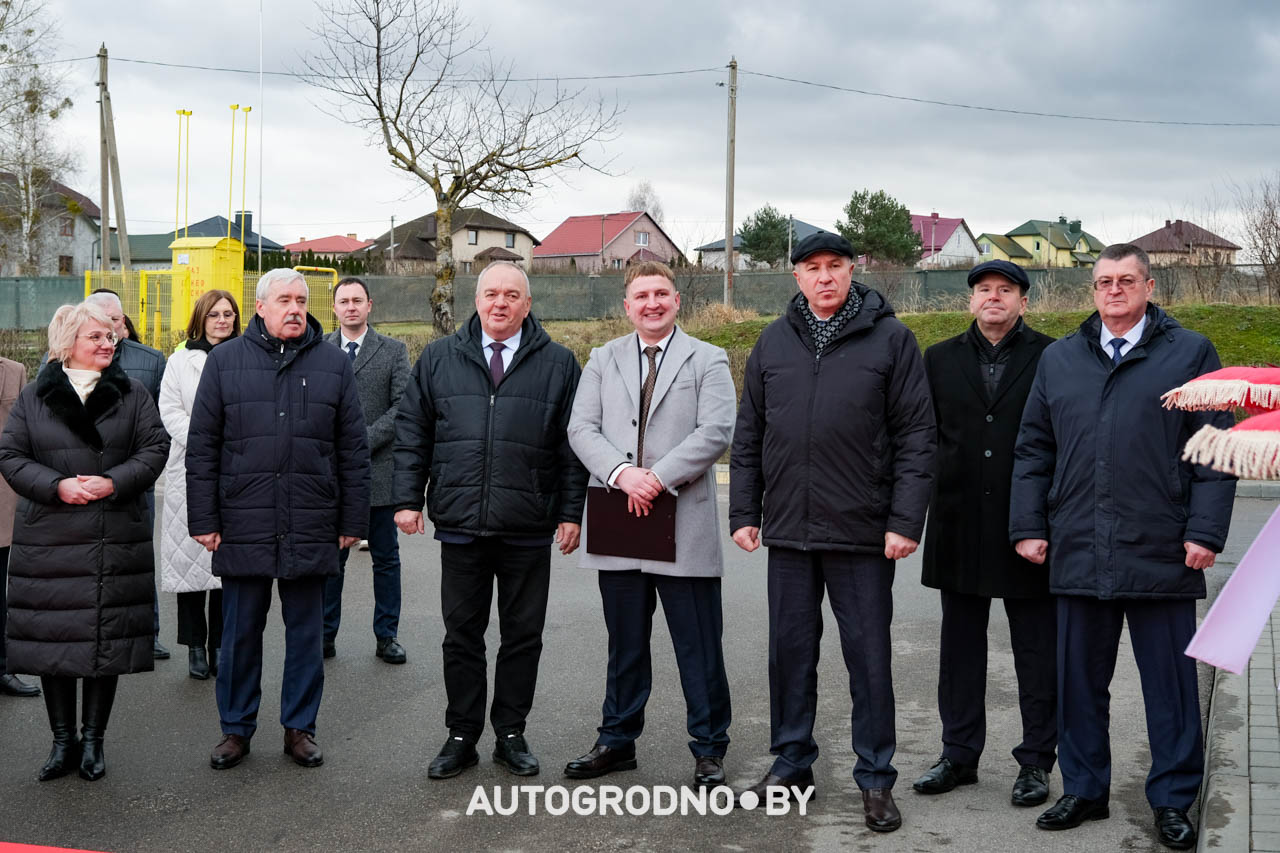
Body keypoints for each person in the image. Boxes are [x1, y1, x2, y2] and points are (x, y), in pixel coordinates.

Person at [1010, 243, 1236, 850]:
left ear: (1149, 285)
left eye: (1126, 280)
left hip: (1162, 547)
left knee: (1171, 688)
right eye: (1104, 281)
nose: (1114, 290)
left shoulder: (1189, 353)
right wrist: (1029, 526)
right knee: (1079, 682)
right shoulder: (1060, 360)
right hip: (1078, 547)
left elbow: (1215, 448)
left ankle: (1172, 800)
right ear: (1092, 290)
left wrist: (1205, 532)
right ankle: (1083, 790)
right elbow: (1034, 449)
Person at [729, 231, 936, 833]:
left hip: (864, 534)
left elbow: (917, 438)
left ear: (853, 270)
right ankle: (792, 765)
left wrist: (903, 521)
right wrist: (746, 512)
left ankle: (875, 778)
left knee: (868, 659)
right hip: (790, 532)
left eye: (835, 266)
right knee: (790, 655)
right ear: (796, 276)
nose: (824, 277)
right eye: (812, 268)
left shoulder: (892, 340)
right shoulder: (773, 341)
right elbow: (749, 437)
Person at [393, 260, 587, 780]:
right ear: (475, 301)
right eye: (491, 294)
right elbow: (413, 434)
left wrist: (571, 513)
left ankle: (510, 733)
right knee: (462, 635)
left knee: (523, 635)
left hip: (528, 524)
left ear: (527, 303)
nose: (500, 303)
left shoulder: (560, 363)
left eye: (511, 295)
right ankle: (461, 736)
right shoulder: (437, 358)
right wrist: (407, 500)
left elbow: (573, 449)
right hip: (460, 523)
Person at [186, 268, 370, 771]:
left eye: (302, 299)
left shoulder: (333, 364)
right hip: (243, 517)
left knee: (306, 635)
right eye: (284, 299)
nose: (295, 308)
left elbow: (352, 450)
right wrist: (204, 518)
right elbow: (202, 448)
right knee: (240, 632)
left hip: (312, 518)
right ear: (261, 306)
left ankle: (299, 728)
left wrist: (352, 519)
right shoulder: (225, 362)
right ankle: (236, 728)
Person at [563, 261, 736, 787]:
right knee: (625, 642)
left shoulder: (709, 358)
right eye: (642, 296)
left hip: (682, 520)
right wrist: (621, 474)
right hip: (619, 518)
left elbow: (717, 429)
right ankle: (617, 740)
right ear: (627, 305)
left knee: (698, 644)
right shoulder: (602, 358)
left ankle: (709, 748)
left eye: (661, 293)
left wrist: (656, 478)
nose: (652, 303)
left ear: (677, 300)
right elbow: (581, 427)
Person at [0, 302, 169, 781]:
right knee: (56, 642)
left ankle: (93, 742)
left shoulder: (132, 393)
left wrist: (113, 481)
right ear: (66, 342)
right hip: (51, 539)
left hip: (112, 534)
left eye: (109, 335)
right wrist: (58, 486)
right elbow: (10, 455)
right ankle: (61, 743)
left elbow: (155, 447)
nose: (107, 342)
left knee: (103, 641)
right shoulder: (35, 396)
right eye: (95, 336)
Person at [913, 260, 1057, 807]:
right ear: (970, 301)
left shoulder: (1051, 356)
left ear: (1024, 301)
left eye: (1006, 290)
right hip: (958, 520)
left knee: (1037, 649)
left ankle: (1037, 761)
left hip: (1029, 525)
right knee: (960, 648)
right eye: (983, 290)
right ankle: (958, 754)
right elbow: (923, 438)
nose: (993, 297)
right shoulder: (940, 358)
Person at [322, 277, 411, 664]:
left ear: (370, 305)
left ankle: (386, 635)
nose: (351, 307)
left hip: (378, 473)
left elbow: (402, 408)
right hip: (328, 476)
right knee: (330, 562)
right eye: (344, 301)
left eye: (358, 300)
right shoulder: (318, 349)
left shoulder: (393, 351)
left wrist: (361, 440)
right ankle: (324, 635)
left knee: (386, 560)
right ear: (335, 307)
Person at [158, 290, 241, 681]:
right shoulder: (179, 360)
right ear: (201, 318)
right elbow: (169, 410)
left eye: (228, 314)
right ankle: (194, 645)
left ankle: (222, 644)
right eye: (214, 314)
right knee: (189, 559)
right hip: (189, 465)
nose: (221, 320)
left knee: (225, 563)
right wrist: (204, 438)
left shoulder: (245, 356)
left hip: (234, 467)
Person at [86, 289, 170, 661]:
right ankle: (91, 630)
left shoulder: (151, 361)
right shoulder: (59, 360)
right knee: (84, 560)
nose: (109, 331)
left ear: (125, 320)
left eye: (115, 322)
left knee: (136, 557)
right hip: (80, 482)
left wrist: (133, 472)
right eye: (100, 323)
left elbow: (160, 428)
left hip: (134, 482)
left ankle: (145, 631)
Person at [0, 355, 39, 699]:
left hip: (3, 499)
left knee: (2, 589)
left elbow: (27, 432)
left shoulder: (14, 371)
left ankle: (2, 667)